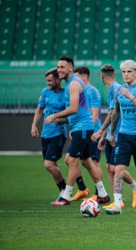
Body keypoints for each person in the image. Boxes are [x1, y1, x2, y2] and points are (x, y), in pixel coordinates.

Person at [45, 56, 110, 206]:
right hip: (80, 127)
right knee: (86, 161)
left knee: (71, 160)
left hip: (83, 127)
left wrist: (55, 115)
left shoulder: (73, 84)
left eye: (62, 67)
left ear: (70, 68)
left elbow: (74, 108)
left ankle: (66, 196)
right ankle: (103, 194)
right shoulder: (72, 83)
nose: (59, 70)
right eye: (58, 67)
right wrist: (64, 120)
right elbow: (78, 109)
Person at [105, 60, 136, 215]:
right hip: (124, 135)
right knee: (118, 169)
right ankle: (118, 205)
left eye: (129, 71)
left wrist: (131, 97)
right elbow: (116, 113)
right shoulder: (118, 90)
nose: (126, 75)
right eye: (124, 72)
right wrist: (112, 133)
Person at [91, 64, 136, 210]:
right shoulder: (114, 88)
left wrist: (101, 131)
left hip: (120, 133)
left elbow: (113, 113)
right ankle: (117, 200)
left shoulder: (115, 89)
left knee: (115, 167)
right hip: (112, 133)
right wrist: (105, 135)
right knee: (109, 167)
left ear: (101, 76)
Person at [31, 68, 67, 203]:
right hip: (46, 134)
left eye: (50, 80)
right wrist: (34, 125)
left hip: (58, 133)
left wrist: (61, 120)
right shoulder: (45, 92)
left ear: (58, 80)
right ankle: (63, 193)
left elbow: (71, 113)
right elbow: (40, 109)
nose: (48, 83)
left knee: (48, 164)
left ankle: (65, 190)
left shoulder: (65, 94)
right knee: (52, 165)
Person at [67, 66, 103, 201]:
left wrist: (90, 131)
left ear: (84, 77)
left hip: (91, 132)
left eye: (76, 77)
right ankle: (82, 188)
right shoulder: (78, 90)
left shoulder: (92, 91)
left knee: (94, 161)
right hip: (80, 130)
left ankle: (99, 194)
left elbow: (94, 115)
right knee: (70, 160)